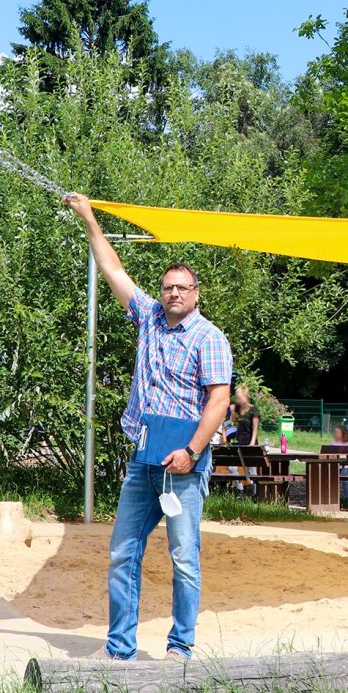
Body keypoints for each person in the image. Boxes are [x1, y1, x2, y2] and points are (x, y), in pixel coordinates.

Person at [66, 193, 232, 662]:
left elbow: (219, 402)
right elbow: (113, 271)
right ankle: (119, 648)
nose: (173, 293)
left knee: (183, 559)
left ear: (196, 293)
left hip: (184, 465)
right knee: (122, 554)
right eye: (167, 287)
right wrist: (90, 219)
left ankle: (180, 647)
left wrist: (193, 452)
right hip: (143, 462)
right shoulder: (148, 319)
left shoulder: (210, 337)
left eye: (182, 287)